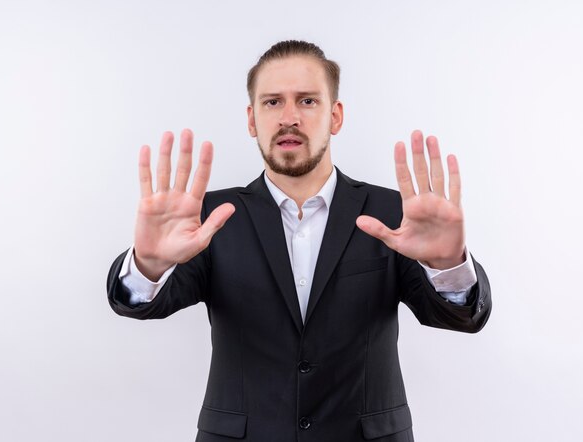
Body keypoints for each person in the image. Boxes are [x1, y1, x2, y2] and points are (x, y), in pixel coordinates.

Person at [106, 40, 491, 442]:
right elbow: (144, 306)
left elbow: (459, 318)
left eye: (307, 101)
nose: (289, 117)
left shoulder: (394, 214)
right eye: (272, 103)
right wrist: (148, 265)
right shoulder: (208, 219)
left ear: (335, 116)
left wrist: (447, 267)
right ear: (252, 119)